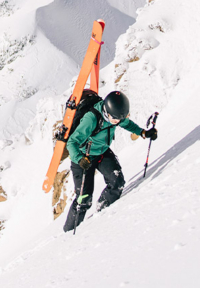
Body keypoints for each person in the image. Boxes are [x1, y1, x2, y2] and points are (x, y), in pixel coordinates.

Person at [62, 90, 156, 232]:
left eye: (119, 119)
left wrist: (143, 132)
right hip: (83, 157)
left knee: (117, 182)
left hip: (101, 152)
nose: (118, 122)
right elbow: (72, 142)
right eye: (116, 120)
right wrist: (80, 159)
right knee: (84, 199)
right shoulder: (91, 119)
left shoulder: (115, 115)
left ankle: (104, 211)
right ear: (107, 113)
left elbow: (127, 124)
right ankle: (69, 233)